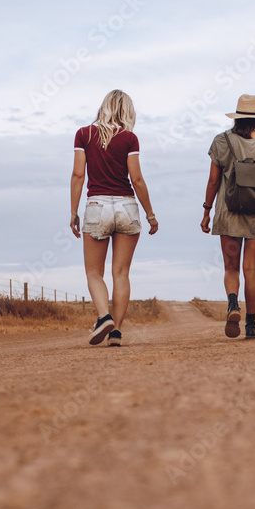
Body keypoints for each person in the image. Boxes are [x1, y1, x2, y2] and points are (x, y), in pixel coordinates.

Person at [70, 89, 158, 346]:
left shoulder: (84, 134)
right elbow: (137, 179)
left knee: (94, 272)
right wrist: (150, 215)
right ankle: (116, 332)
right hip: (127, 207)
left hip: (97, 205)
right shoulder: (130, 138)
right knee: (121, 273)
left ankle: (103, 317)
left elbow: (78, 176)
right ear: (126, 111)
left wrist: (74, 212)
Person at [201, 94, 255, 339]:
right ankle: (251, 325)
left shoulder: (221, 141)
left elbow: (213, 181)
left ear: (237, 117)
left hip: (228, 212)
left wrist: (206, 211)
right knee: (252, 269)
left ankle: (232, 304)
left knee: (231, 267)